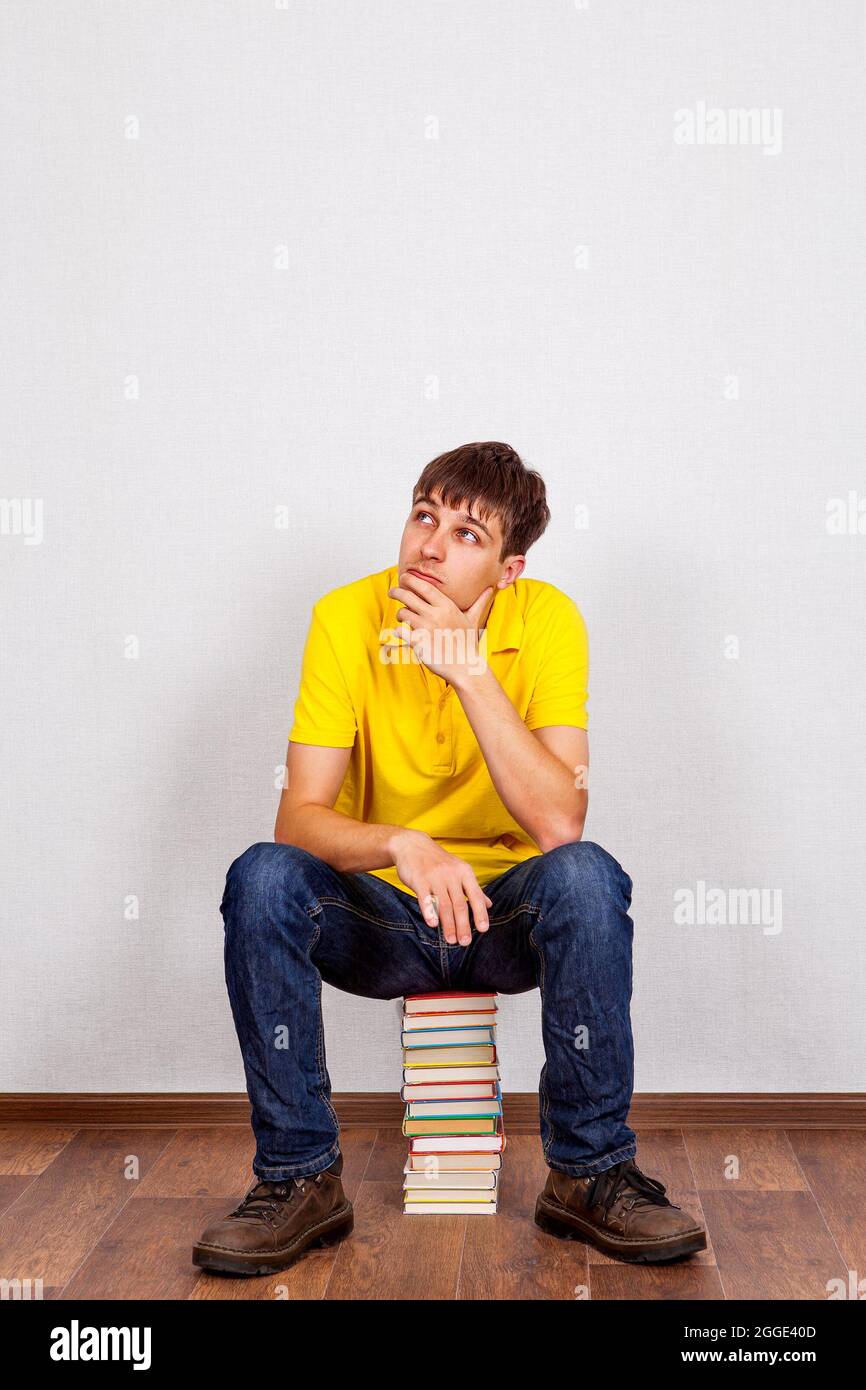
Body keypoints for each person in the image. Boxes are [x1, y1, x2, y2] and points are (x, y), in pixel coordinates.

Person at [192, 441, 707, 1276]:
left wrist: (468, 672)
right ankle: (300, 1179)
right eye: (424, 515)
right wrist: (402, 843)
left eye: (468, 534)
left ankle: (588, 1173)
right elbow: (298, 820)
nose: (430, 544)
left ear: (509, 570)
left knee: (588, 876)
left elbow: (558, 826)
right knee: (261, 876)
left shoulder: (547, 619)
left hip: (505, 914)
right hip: (382, 916)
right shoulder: (344, 617)